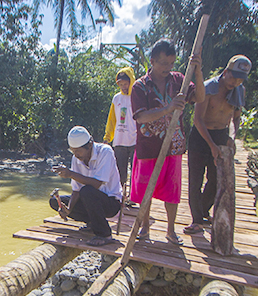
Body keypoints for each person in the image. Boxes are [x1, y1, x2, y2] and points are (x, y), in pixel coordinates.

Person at [130, 39, 205, 245]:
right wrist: (168, 108)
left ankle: (170, 231)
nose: (167, 68)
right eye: (163, 63)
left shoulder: (179, 80)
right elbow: (141, 117)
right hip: (148, 147)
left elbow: (199, 97)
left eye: (171, 63)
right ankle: (145, 227)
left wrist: (197, 72)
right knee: (146, 189)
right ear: (152, 61)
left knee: (172, 191)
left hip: (173, 147)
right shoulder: (140, 87)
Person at [185, 54, 252, 235]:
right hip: (201, 136)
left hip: (221, 135)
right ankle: (196, 220)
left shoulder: (239, 92)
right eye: (233, 77)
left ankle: (204, 209)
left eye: (240, 79)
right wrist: (212, 146)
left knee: (216, 179)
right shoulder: (207, 88)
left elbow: (235, 118)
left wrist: (232, 137)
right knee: (195, 179)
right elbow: (198, 120)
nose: (235, 82)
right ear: (225, 72)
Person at [49, 126, 122, 247]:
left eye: (78, 151)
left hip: (111, 203)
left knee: (87, 191)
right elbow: (76, 190)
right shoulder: (76, 158)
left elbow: (97, 184)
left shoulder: (105, 152)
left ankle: (105, 234)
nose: (76, 155)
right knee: (55, 201)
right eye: (73, 151)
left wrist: (71, 174)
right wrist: (69, 209)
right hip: (90, 200)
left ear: (89, 145)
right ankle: (92, 223)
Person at [103, 67, 137, 195]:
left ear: (131, 82)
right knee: (119, 171)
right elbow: (111, 120)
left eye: (125, 84)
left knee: (135, 171)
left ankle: (133, 196)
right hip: (119, 141)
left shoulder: (137, 97)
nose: (123, 87)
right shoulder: (116, 98)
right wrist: (107, 137)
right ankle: (121, 195)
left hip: (135, 140)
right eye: (121, 84)